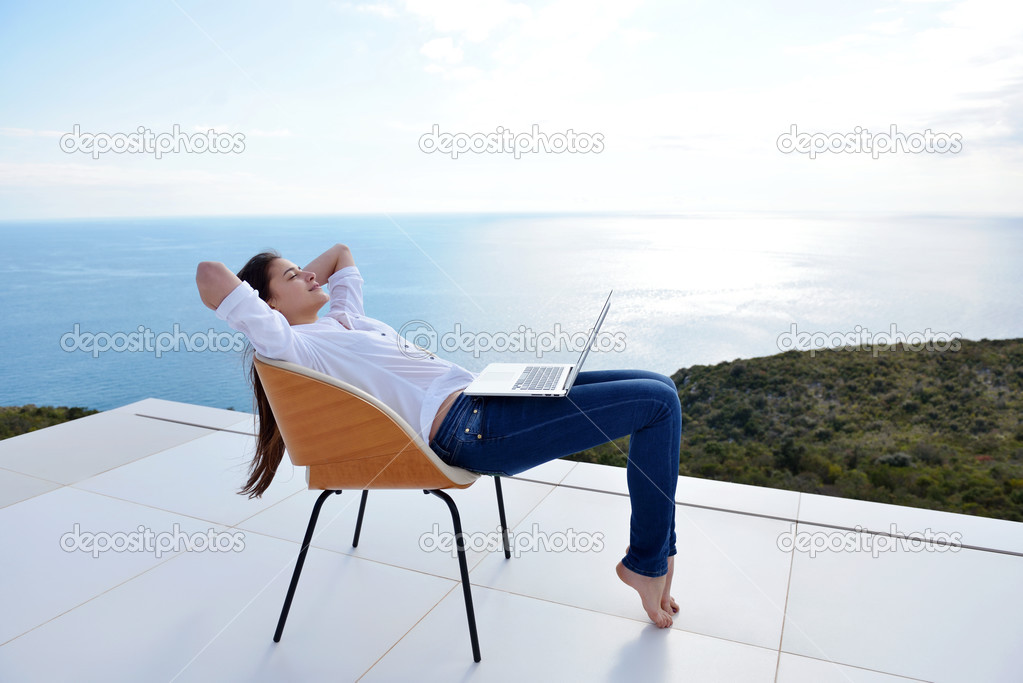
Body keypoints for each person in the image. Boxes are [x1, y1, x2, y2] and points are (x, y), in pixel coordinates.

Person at [196, 242, 683, 628]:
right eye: (291, 277)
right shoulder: (293, 345)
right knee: (658, 406)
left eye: (304, 269)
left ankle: (655, 553)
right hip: (472, 431)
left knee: (659, 385)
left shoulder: (345, 320)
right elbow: (210, 275)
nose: (308, 273)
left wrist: (295, 280)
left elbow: (342, 251)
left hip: (485, 397)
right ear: (267, 307)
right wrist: (264, 304)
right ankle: (648, 560)